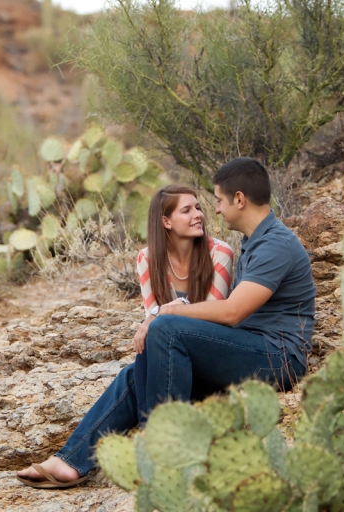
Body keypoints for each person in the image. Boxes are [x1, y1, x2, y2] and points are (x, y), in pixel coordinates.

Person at [16, 158, 316, 488]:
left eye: (218, 200)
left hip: (278, 358)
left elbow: (232, 312)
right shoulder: (256, 241)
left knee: (165, 329)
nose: (215, 210)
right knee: (137, 374)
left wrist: (167, 312)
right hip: (250, 349)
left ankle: (159, 453)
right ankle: (71, 461)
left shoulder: (275, 244)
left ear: (239, 200)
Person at [15, 184, 234, 489]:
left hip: (210, 361)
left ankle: (82, 459)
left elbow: (212, 315)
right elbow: (151, 322)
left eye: (198, 207)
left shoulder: (219, 253)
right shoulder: (148, 259)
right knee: (145, 351)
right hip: (172, 364)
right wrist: (158, 316)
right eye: (187, 210)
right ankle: (80, 460)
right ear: (166, 221)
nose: (198, 214)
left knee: (135, 370)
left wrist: (163, 312)